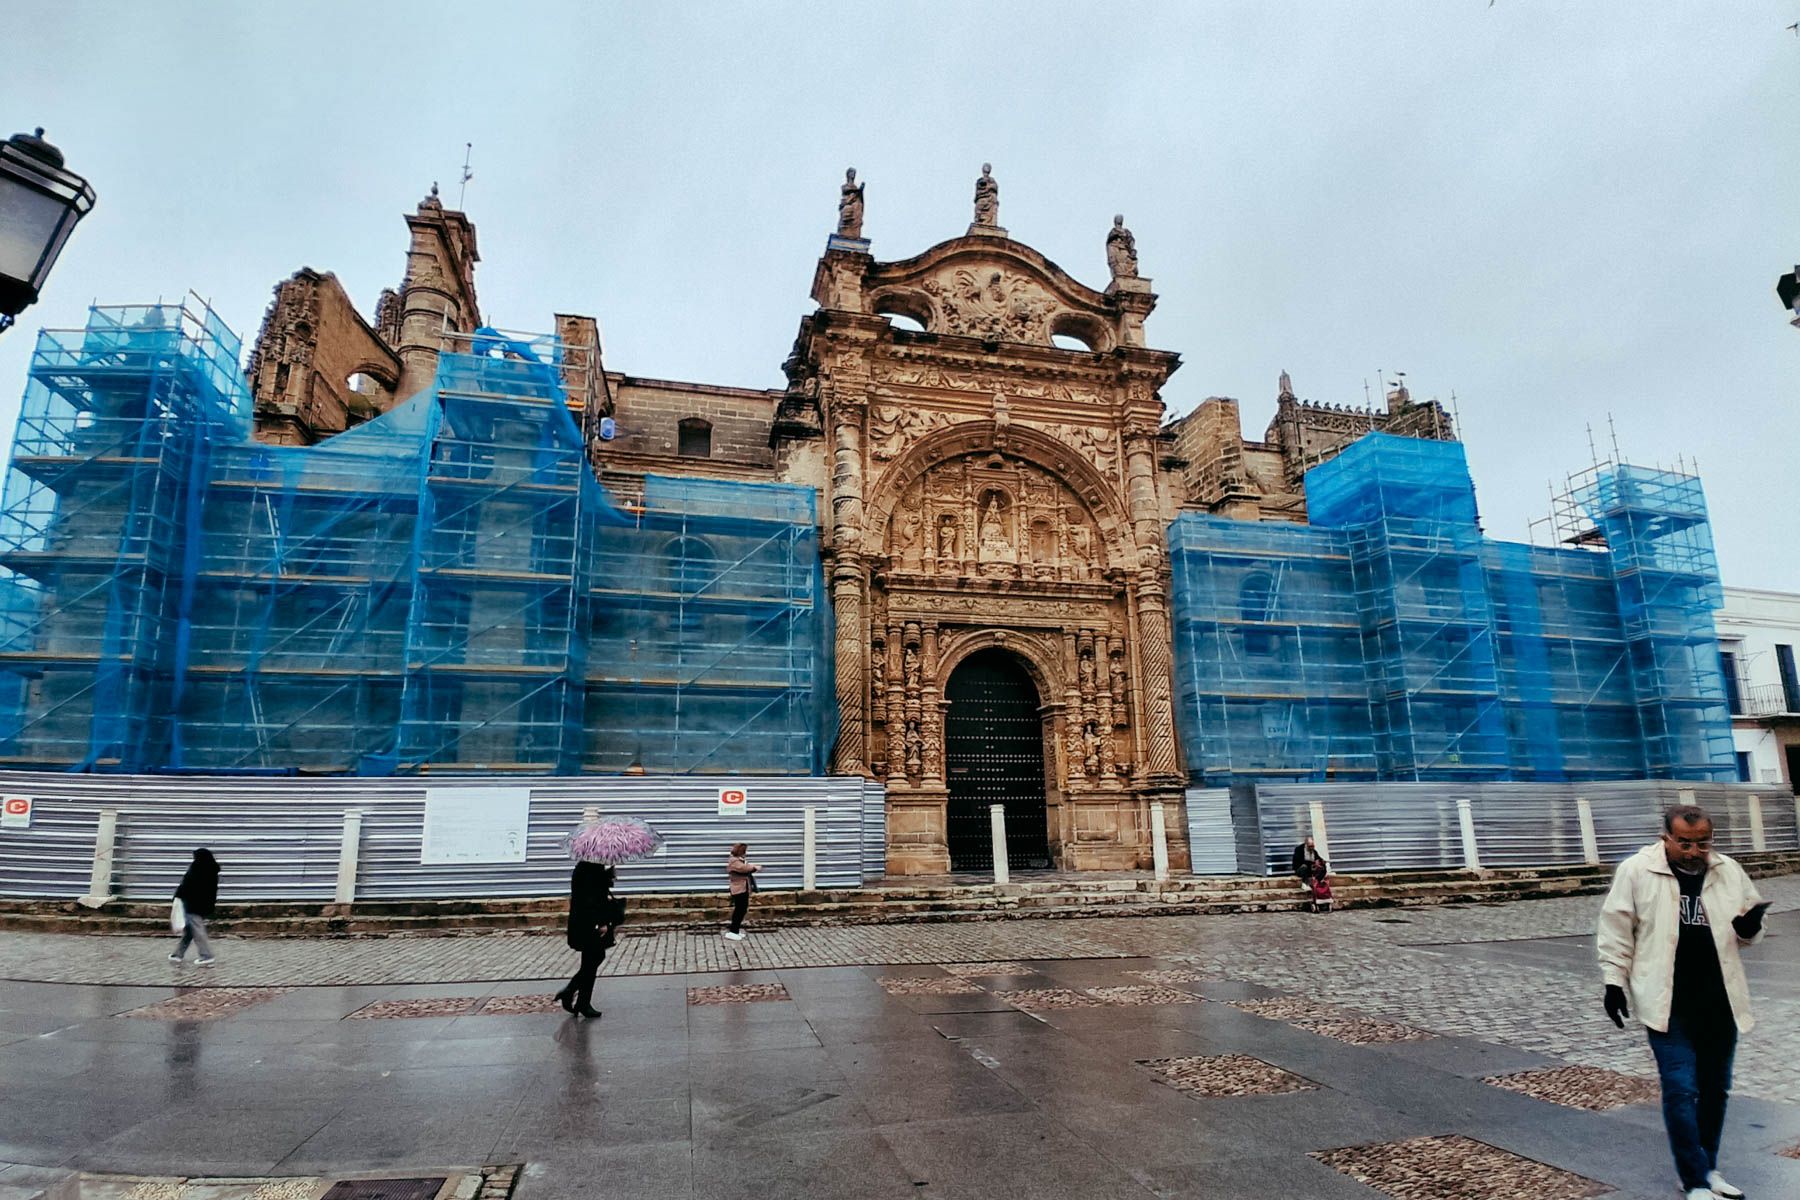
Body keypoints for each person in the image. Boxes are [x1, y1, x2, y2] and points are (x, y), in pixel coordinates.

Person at [1597, 804, 1770, 1200]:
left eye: (1702, 843)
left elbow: (1752, 923)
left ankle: (1708, 1169)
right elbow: (1616, 930)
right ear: (1666, 838)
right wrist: (1613, 982)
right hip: (1668, 1002)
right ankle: (1693, 1181)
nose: (1694, 852)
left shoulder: (1727, 870)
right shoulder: (1637, 871)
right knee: (1680, 1089)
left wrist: (1750, 928)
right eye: (1685, 843)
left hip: (1719, 1001)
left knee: (1715, 1089)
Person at [556, 861, 617, 1019]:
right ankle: (572, 992)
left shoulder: (588, 867)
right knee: (595, 957)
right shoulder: (589, 869)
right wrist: (600, 922)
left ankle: (582, 1001)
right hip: (588, 922)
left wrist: (607, 876)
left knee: (591, 960)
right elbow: (591, 898)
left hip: (584, 920)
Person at [168, 848, 219, 966]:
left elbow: (188, 885)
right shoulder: (211, 869)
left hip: (192, 904)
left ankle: (206, 955)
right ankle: (178, 954)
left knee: (197, 929)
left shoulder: (198, 868)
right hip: (201, 904)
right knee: (190, 931)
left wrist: (178, 896)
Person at [724, 843, 760, 941]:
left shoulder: (738, 860)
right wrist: (755, 867)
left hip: (743, 888)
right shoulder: (734, 861)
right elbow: (744, 868)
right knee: (739, 910)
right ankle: (733, 931)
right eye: (744, 851)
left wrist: (752, 867)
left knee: (742, 909)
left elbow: (746, 868)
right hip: (738, 889)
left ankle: (735, 930)